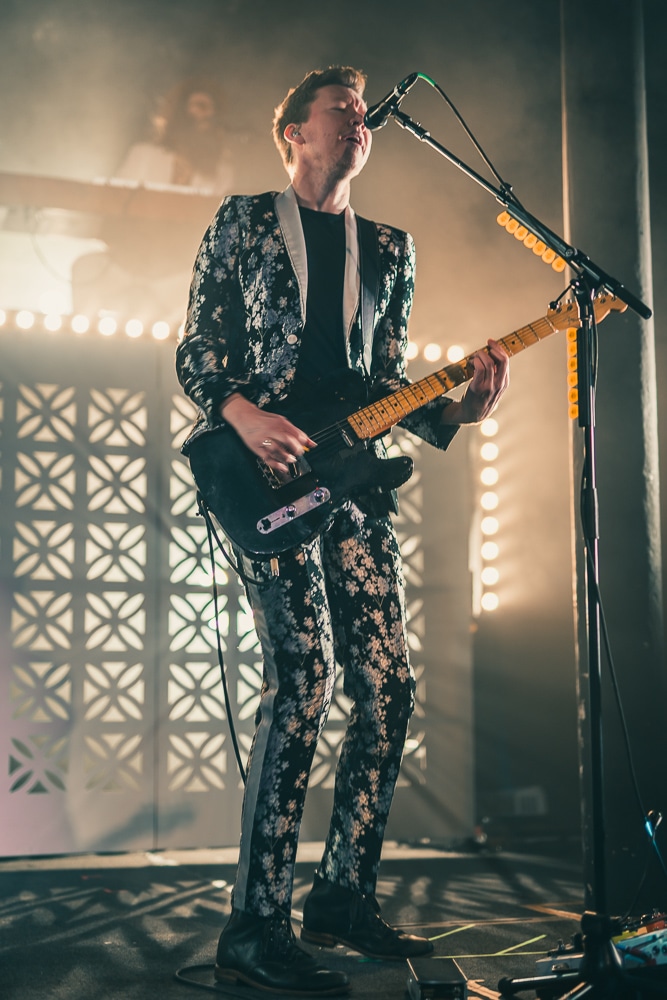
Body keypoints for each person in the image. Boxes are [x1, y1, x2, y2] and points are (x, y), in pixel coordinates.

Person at [175, 66, 509, 997]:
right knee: (305, 678)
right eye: (341, 112)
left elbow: (383, 385)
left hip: (351, 484)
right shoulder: (244, 222)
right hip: (264, 475)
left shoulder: (391, 249)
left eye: (364, 115)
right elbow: (197, 350)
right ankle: (255, 925)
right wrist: (242, 416)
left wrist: (463, 411)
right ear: (293, 134)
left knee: (388, 686)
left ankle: (342, 898)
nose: (360, 123)